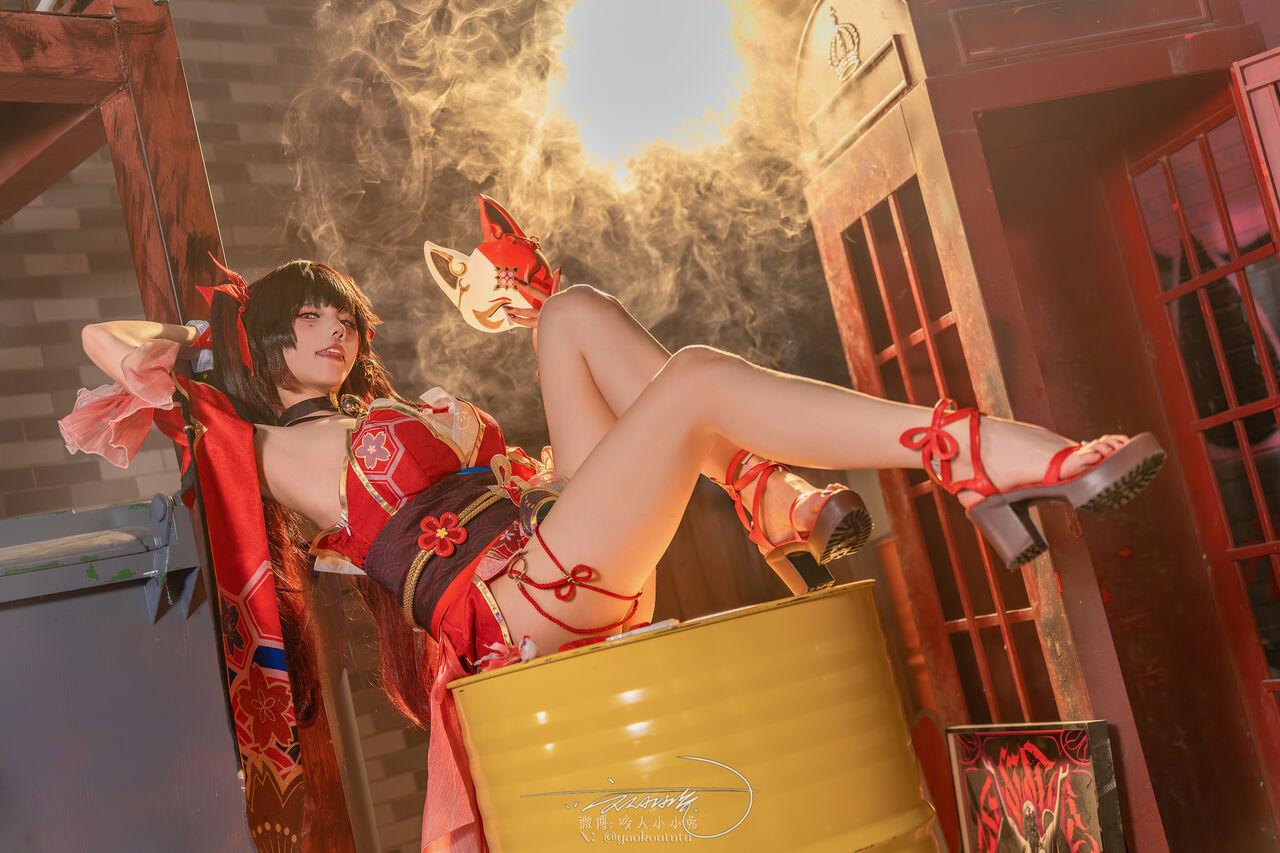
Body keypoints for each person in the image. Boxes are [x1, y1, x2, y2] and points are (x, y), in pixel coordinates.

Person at [61, 197, 1163, 851]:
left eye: (341, 315)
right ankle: (963, 455)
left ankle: (778, 491)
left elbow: (519, 459)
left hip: (549, 542)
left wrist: (506, 320)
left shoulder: (391, 412)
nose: (333, 331)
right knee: (693, 382)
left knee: (573, 311)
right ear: (260, 340)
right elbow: (104, 344)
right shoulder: (260, 448)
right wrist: (212, 335)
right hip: (513, 610)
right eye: (304, 317)